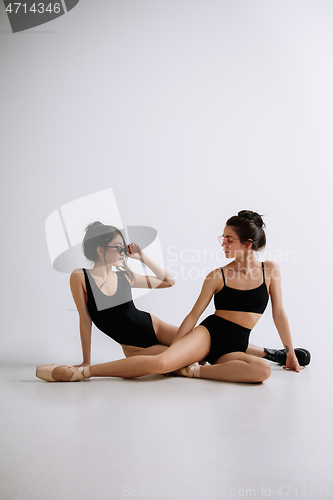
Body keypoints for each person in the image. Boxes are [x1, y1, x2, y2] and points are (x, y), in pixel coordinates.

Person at [36, 211, 310, 383]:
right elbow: (192, 316)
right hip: (206, 334)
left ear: (247, 243)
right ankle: (82, 373)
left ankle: (204, 368)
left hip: (232, 343)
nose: (223, 243)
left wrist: (290, 350)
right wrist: (180, 350)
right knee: (164, 362)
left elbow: (279, 313)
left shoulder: (271, 270)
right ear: (99, 250)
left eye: (229, 239)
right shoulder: (217, 275)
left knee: (261, 373)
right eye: (223, 238)